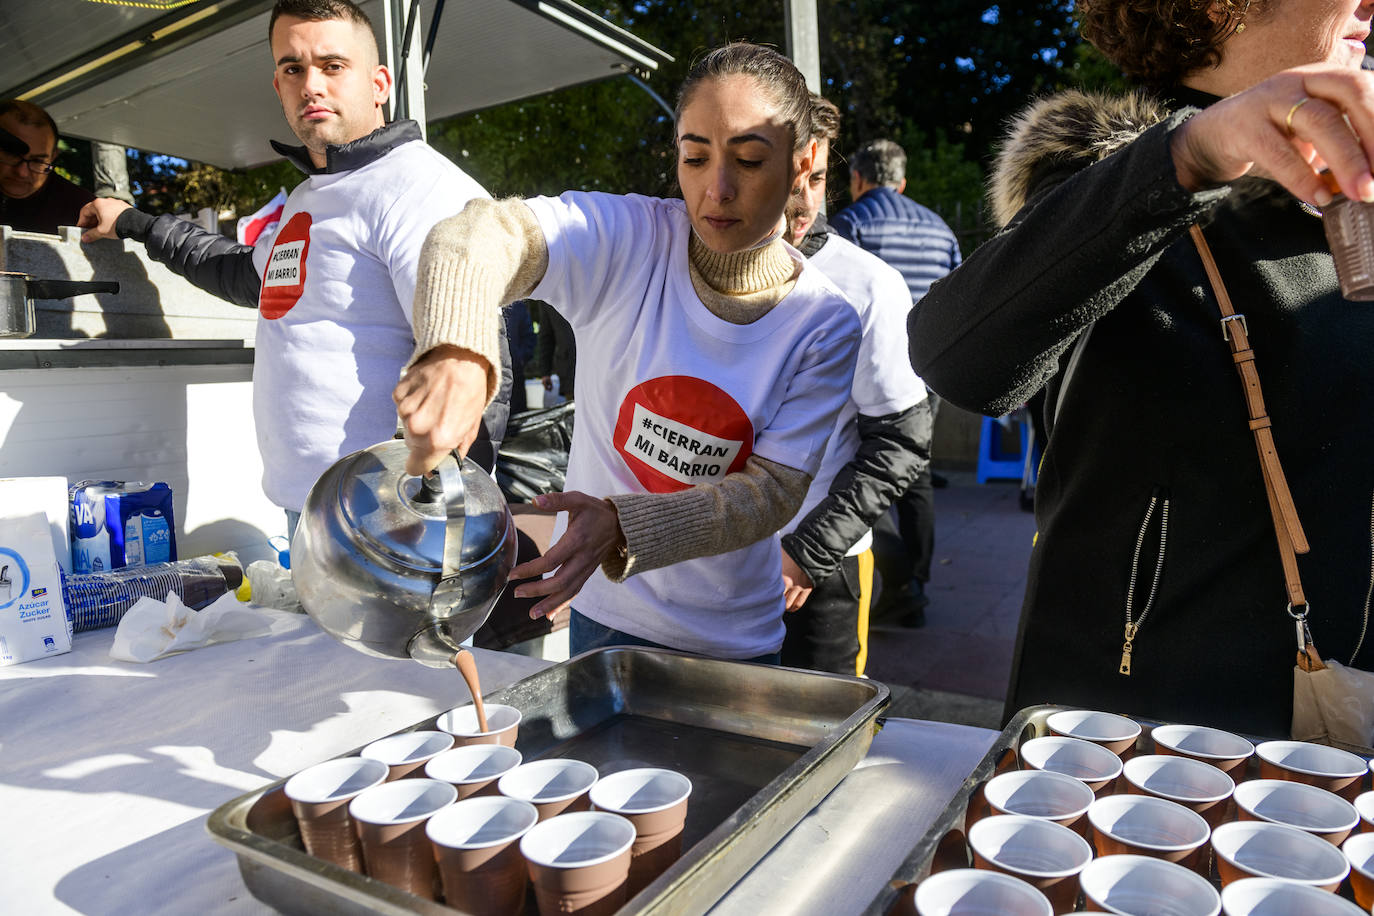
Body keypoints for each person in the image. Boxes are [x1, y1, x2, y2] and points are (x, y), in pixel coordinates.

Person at [911, 0, 1374, 737]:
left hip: (1341, 725)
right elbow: (955, 357)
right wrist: (1187, 158)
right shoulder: (1108, 174)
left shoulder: (1354, 180)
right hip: (1132, 735)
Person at [393, 42, 862, 662]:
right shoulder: (630, 242)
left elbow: (769, 494)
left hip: (733, 637)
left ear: (802, 165)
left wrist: (623, 524)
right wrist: (458, 348)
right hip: (606, 613)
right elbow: (478, 234)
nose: (716, 189)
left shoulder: (824, 322)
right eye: (695, 157)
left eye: (748, 160)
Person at [77, 0, 503, 537]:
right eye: (292, 68)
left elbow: (480, 357)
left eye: (332, 65)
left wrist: (434, 515)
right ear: (277, 86)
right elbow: (242, 276)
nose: (311, 85)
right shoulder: (310, 195)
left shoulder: (420, 188)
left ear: (380, 83)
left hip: (393, 520)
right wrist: (133, 222)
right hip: (317, 509)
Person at [779, 95, 931, 676]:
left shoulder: (868, 284)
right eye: (787, 177)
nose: (803, 199)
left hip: (817, 572)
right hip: (707, 571)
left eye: (815, 177)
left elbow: (901, 441)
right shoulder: (693, 262)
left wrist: (809, 551)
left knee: (824, 745)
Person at [831, 139, 961, 627]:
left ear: (858, 180)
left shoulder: (853, 222)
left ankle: (895, 577)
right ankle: (915, 585)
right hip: (929, 372)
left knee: (866, 471)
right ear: (902, 181)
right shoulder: (941, 228)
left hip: (872, 371)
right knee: (916, 475)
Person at [0, 99, 94, 234]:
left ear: (53, 156)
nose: (22, 172)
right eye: (12, 154)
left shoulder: (81, 210)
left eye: (37, 161)